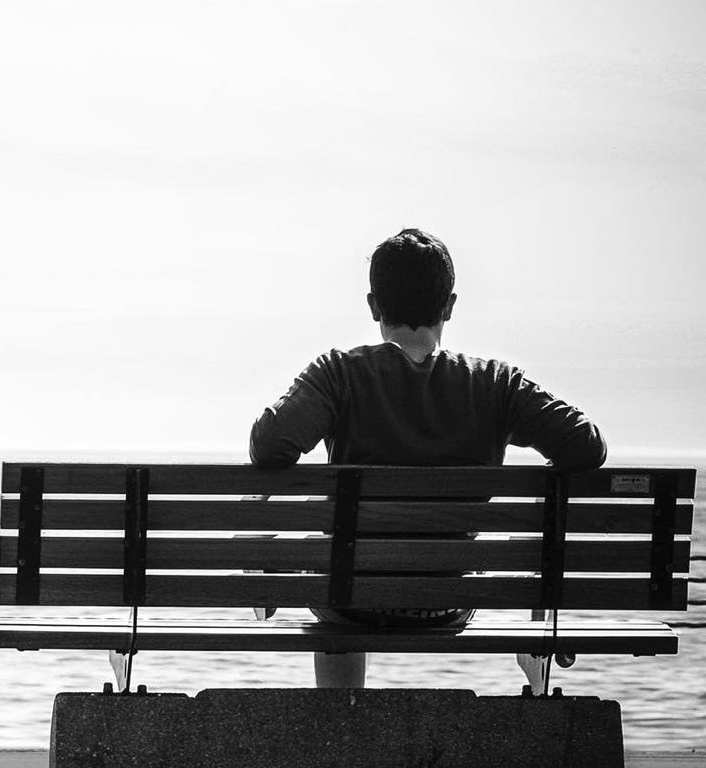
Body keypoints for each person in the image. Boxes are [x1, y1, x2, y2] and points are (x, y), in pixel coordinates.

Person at [248, 227, 606, 690]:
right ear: (449, 306)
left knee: (329, 566)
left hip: (349, 600)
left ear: (374, 305)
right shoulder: (496, 383)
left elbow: (268, 445)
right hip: (448, 600)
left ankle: (340, 712)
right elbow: (585, 447)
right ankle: (534, 645)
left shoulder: (338, 374)